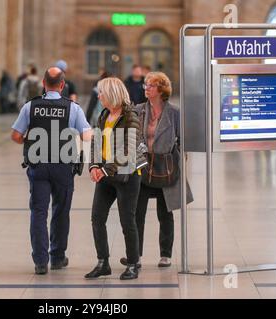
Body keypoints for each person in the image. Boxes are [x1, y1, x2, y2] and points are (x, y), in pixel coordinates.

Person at [11, 67, 91, 275]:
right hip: (63, 166)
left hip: (38, 166)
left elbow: (16, 136)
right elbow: (87, 135)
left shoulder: (31, 106)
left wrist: (32, 137)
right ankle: (57, 257)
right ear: (63, 85)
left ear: (44, 84)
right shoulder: (72, 108)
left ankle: (40, 261)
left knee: (38, 212)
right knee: (61, 211)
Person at [120, 72, 193, 269]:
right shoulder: (138, 110)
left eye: (150, 85)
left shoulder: (174, 113)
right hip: (142, 167)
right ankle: (136, 255)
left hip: (165, 167)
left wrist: (179, 160)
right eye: (145, 85)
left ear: (161, 89)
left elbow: (183, 140)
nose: (146, 88)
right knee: (137, 213)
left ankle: (166, 254)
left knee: (165, 212)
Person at [85, 77, 148, 281]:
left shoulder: (131, 116)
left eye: (101, 93)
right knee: (97, 218)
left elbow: (128, 149)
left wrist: (105, 170)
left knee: (127, 220)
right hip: (107, 173)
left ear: (111, 93)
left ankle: (132, 264)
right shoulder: (104, 115)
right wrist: (94, 165)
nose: (99, 96)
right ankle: (103, 263)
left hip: (127, 175)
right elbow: (96, 141)